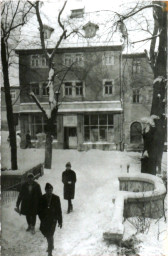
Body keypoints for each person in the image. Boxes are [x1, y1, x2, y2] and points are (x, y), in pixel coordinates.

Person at [38, 183, 62, 256]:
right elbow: (39, 210)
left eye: (50, 190)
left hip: (53, 219)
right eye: (48, 190)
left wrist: (60, 221)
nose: (49, 191)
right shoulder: (42, 198)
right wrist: (42, 218)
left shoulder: (56, 198)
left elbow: (59, 210)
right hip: (45, 219)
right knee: (44, 231)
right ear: (45, 190)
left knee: (50, 234)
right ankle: (51, 244)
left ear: (52, 190)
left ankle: (50, 251)